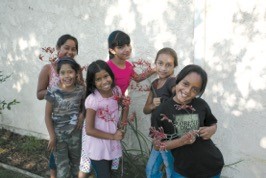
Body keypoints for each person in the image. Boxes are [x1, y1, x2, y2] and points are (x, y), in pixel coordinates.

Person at [153, 64, 224, 178]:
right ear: (178, 80)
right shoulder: (162, 111)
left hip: (212, 166)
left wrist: (212, 129)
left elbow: (212, 123)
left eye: (195, 89)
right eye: (185, 84)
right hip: (183, 171)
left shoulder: (201, 105)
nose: (187, 91)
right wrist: (181, 141)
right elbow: (157, 146)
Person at [36, 34, 84, 178]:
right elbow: (39, 94)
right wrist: (58, 91)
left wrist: (82, 114)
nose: (70, 51)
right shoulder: (48, 70)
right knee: (59, 164)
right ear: (58, 48)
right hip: (58, 128)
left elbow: (84, 99)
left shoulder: (78, 73)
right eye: (66, 48)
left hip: (74, 131)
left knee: (75, 163)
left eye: (73, 49)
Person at [80, 60, 128, 178]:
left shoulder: (116, 90)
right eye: (98, 79)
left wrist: (122, 125)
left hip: (111, 142)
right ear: (93, 82)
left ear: (110, 75)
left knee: (108, 173)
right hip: (98, 145)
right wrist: (113, 136)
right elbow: (89, 130)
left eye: (106, 76)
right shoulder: (93, 100)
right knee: (104, 175)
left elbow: (125, 104)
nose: (104, 81)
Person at [45, 57, 85, 178]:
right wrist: (52, 136)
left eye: (70, 72)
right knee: (62, 168)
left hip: (76, 135)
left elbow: (86, 105)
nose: (67, 76)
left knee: (77, 165)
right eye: (63, 72)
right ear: (58, 74)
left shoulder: (81, 89)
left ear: (76, 73)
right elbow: (47, 116)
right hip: (59, 137)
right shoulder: (53, 91)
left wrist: (82, 114)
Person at [143, 47, 178, 178]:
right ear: (155, 63)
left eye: (168, 65)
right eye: (160, 63)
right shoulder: (154, 83)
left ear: (174, 66)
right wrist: (153, 105)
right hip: (157, 135)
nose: (163, 68)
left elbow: (179, 97)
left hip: (169, 136)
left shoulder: (172, 82)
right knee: (151, 170)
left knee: (171, 170)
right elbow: (145, 110)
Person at [107, 30, 156, 95]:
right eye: (121, 47)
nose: (127, 49)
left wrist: (155, 69)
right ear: (112, 51)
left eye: (128, 45)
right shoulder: (107, 68)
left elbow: (137, 78)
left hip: (120, 103)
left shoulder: (128, 65)